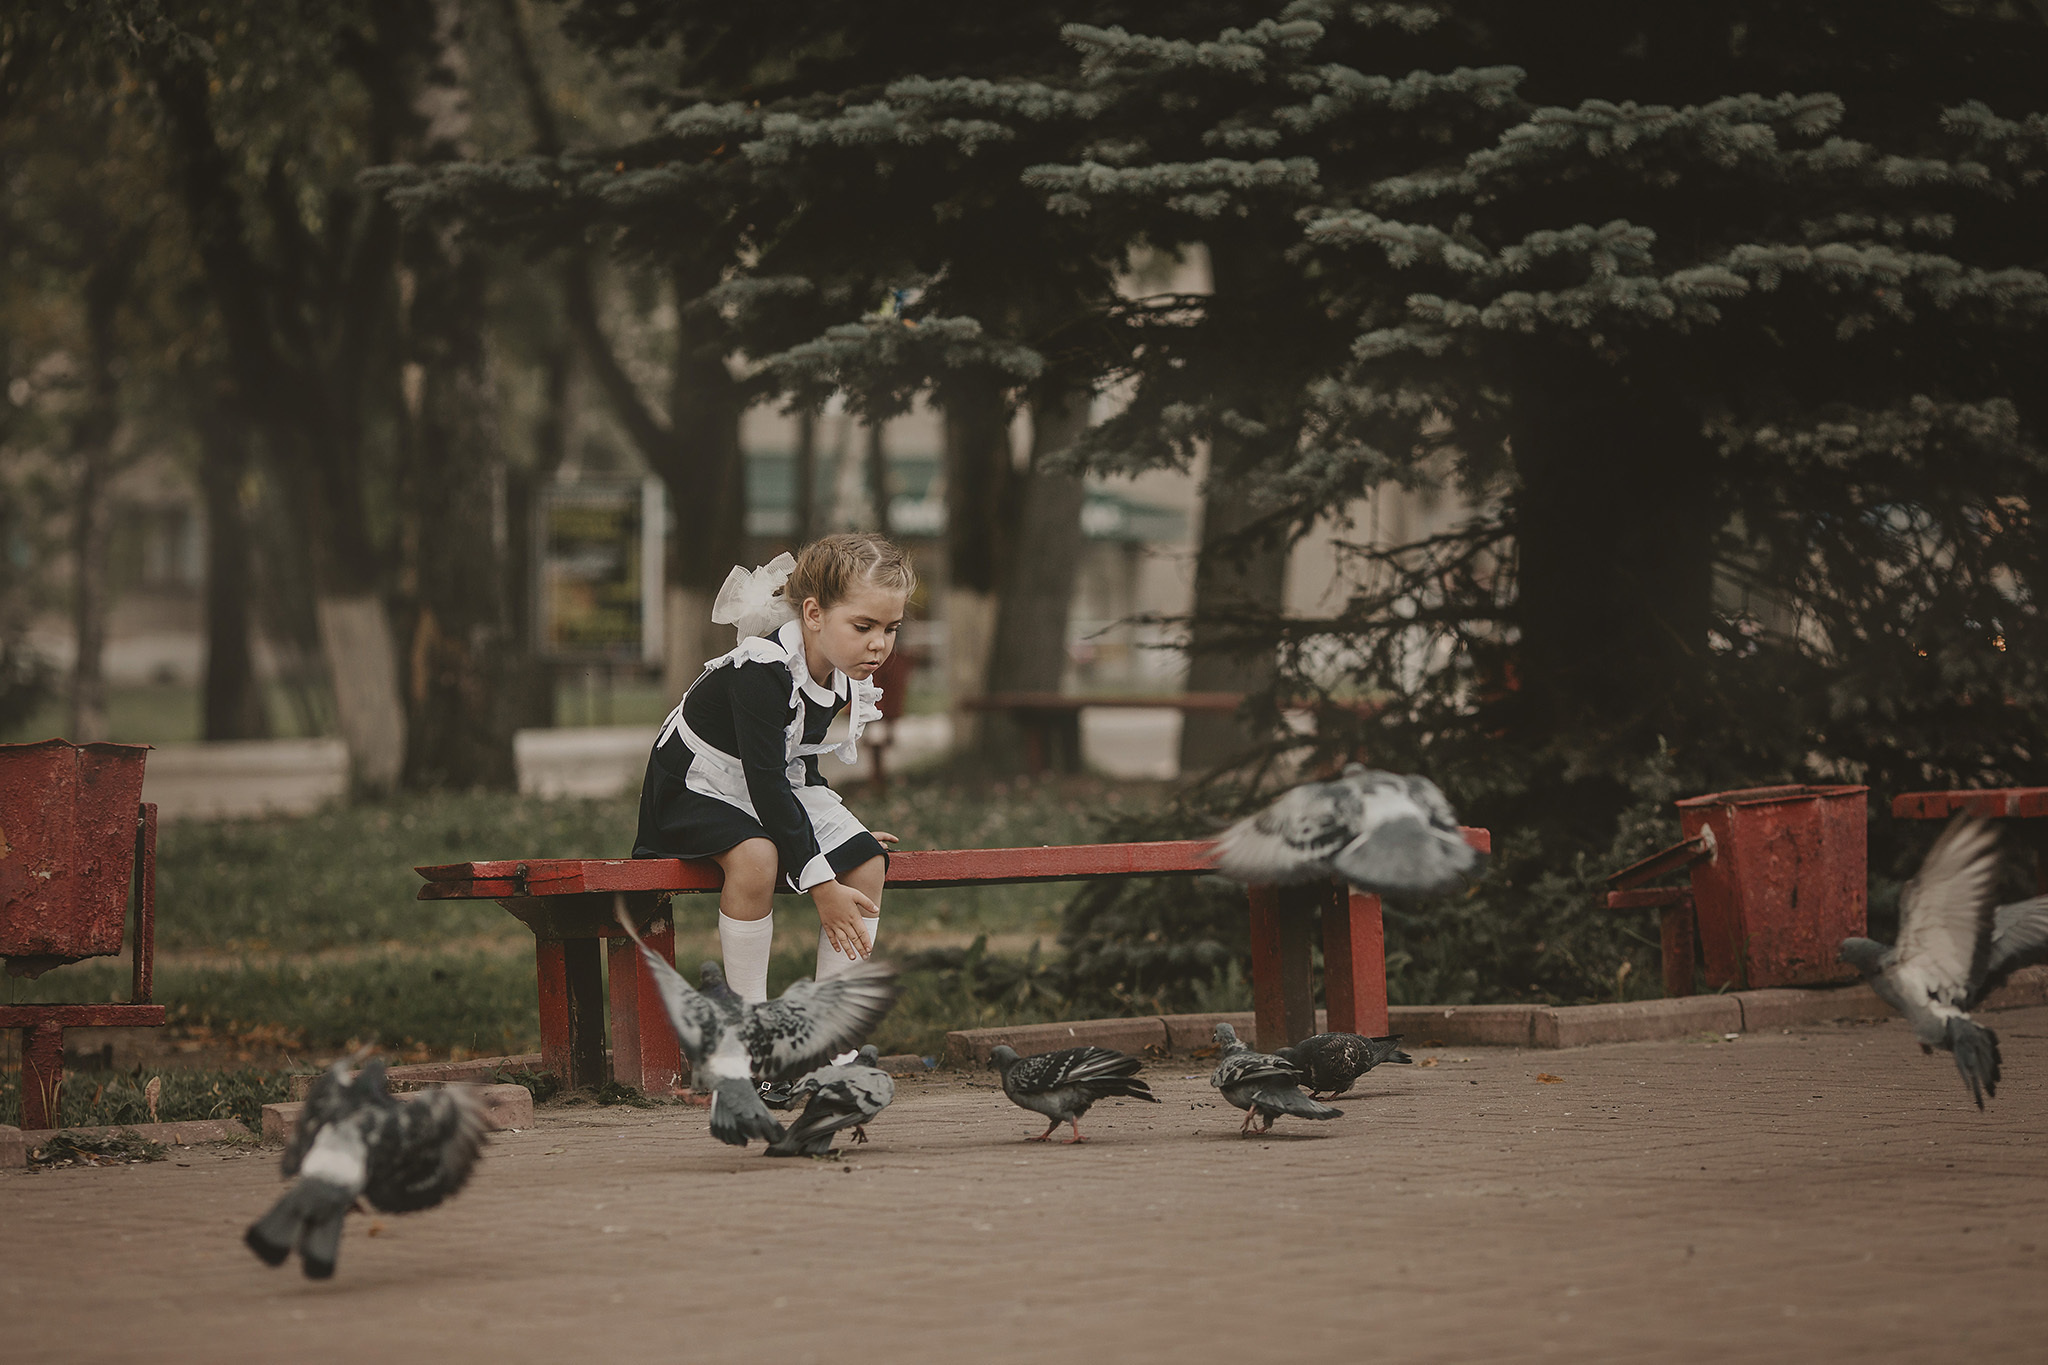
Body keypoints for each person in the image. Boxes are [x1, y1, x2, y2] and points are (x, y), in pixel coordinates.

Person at [633, 533, 913, 1004]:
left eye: (891, 629)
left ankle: (828, 1039)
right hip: (695, 789)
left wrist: (840, 833)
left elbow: (795, 758)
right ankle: (751, 1028)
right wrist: (822, 883)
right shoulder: (763, 670)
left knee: (866, 860)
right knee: (757, 857)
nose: (878, 644)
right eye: (863, 626)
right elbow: (766, 782)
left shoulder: (840, 674)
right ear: (813, 614)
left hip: (761, 788)